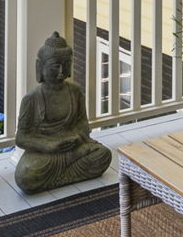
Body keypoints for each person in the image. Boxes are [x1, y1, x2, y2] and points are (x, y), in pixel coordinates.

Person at [13, 32, 111, 192]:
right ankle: (67, 175)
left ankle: (58, 178)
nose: (61, 72)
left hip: (72, 148)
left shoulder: (75, 92)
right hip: (45, 154)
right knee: (25, 176)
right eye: (55, 66)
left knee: (103, 155)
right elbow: (22, 138)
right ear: (40, 67)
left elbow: (83, 124)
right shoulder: (32, 99)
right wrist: (49, 145)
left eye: (66, 65)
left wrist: (77, 137)